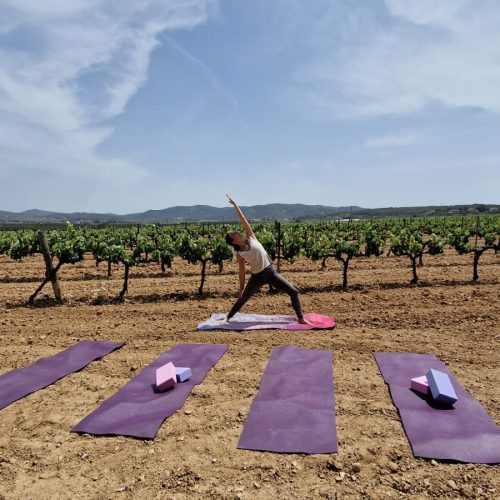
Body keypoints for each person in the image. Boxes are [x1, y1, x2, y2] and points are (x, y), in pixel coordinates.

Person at [223, 194, 308, 324]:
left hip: (270, 272)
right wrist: (241, 289)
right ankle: (228, 317)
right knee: (243, 298)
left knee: (294, 291)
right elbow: (241, 272)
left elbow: (243, 219)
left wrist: (235, 205)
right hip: (257, 277)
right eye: (234, 234)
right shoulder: (240, 254)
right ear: (233, 241)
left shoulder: (251, 237)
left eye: (236, 231)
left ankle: (301, 319)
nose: (237, 232)